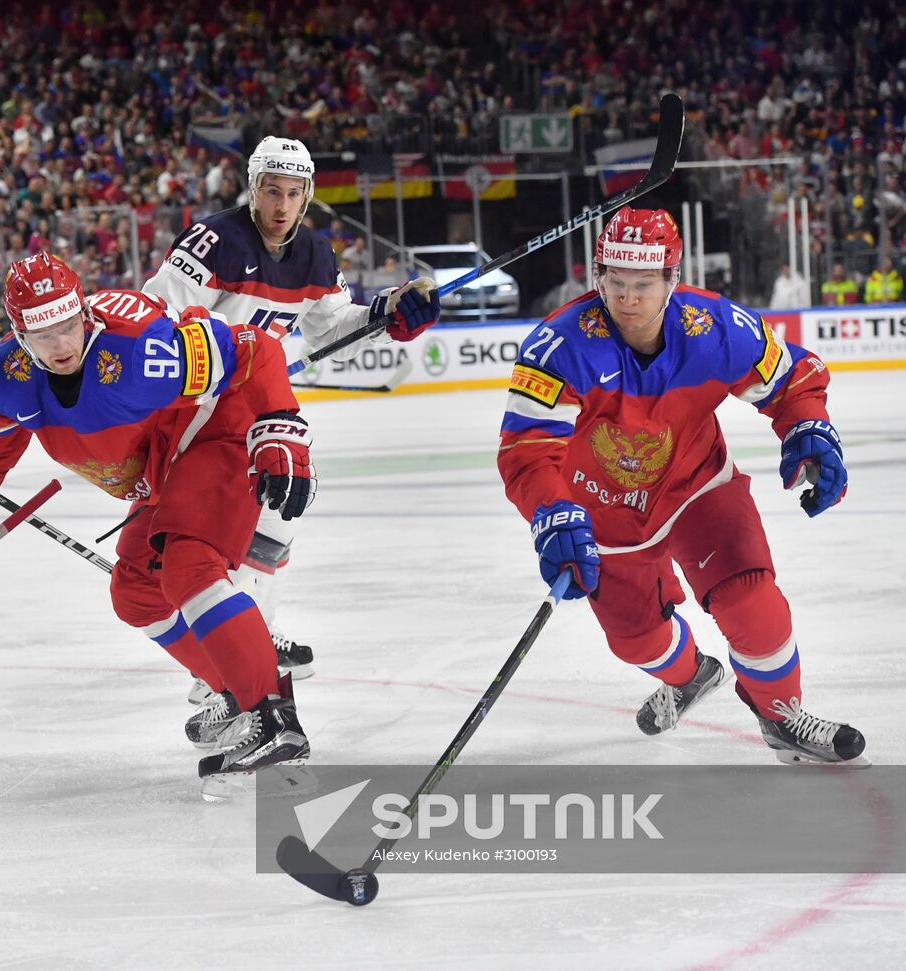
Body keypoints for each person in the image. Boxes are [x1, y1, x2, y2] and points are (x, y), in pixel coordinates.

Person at [0, 252, 316, 797]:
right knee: (137, 594)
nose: (59, 345)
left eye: (66, 325)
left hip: (215, 426)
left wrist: (279, 426)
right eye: (41, 333)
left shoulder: (140, 346)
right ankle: (237, 688)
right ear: (17, 334)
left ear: (85, 313)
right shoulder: (9, 378)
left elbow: (256, 350)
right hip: (164, 464)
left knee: (189, 565)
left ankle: (271, 717)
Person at [498, 207, 865, 765]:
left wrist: (808, 426)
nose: (627, 298)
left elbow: (791, 378)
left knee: (753, 603)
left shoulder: (716, 328)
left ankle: (780, 715)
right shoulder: (559, 346)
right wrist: (552, 511)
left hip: (697, 487)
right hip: (603, 516)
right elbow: (527, 448)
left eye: (644, 283)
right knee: (636, 642)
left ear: (673, 278)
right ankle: (693, 676)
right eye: (615, 282)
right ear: (598, 276)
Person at [141, 135, 438, 693]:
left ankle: (253, 629)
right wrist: (218, 365)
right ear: (252, 190)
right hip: (190, 410)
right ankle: (227, 652)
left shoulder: (317, 255)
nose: (281, 206)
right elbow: (158, 316)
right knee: (236, 519)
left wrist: (385, 313)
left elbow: (329, 331)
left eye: (293, 193)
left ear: (307, 197)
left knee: (280, 507)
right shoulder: (214, 240)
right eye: (271, 191)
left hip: (250, 406)